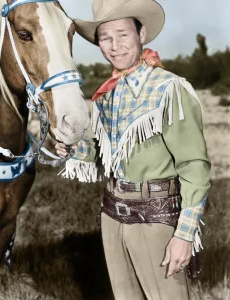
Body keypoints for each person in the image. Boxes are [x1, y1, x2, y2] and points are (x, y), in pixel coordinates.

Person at [56, 0, 211, 299]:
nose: (115, 46)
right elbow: (104, 156)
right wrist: (71, 148)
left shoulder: (170, 89)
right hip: (112, 216)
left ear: (141, 35)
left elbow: (195, 167)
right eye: (105, 37)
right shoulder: (104, 95)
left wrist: (184, 235)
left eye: (123, 34)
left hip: (157, 220)